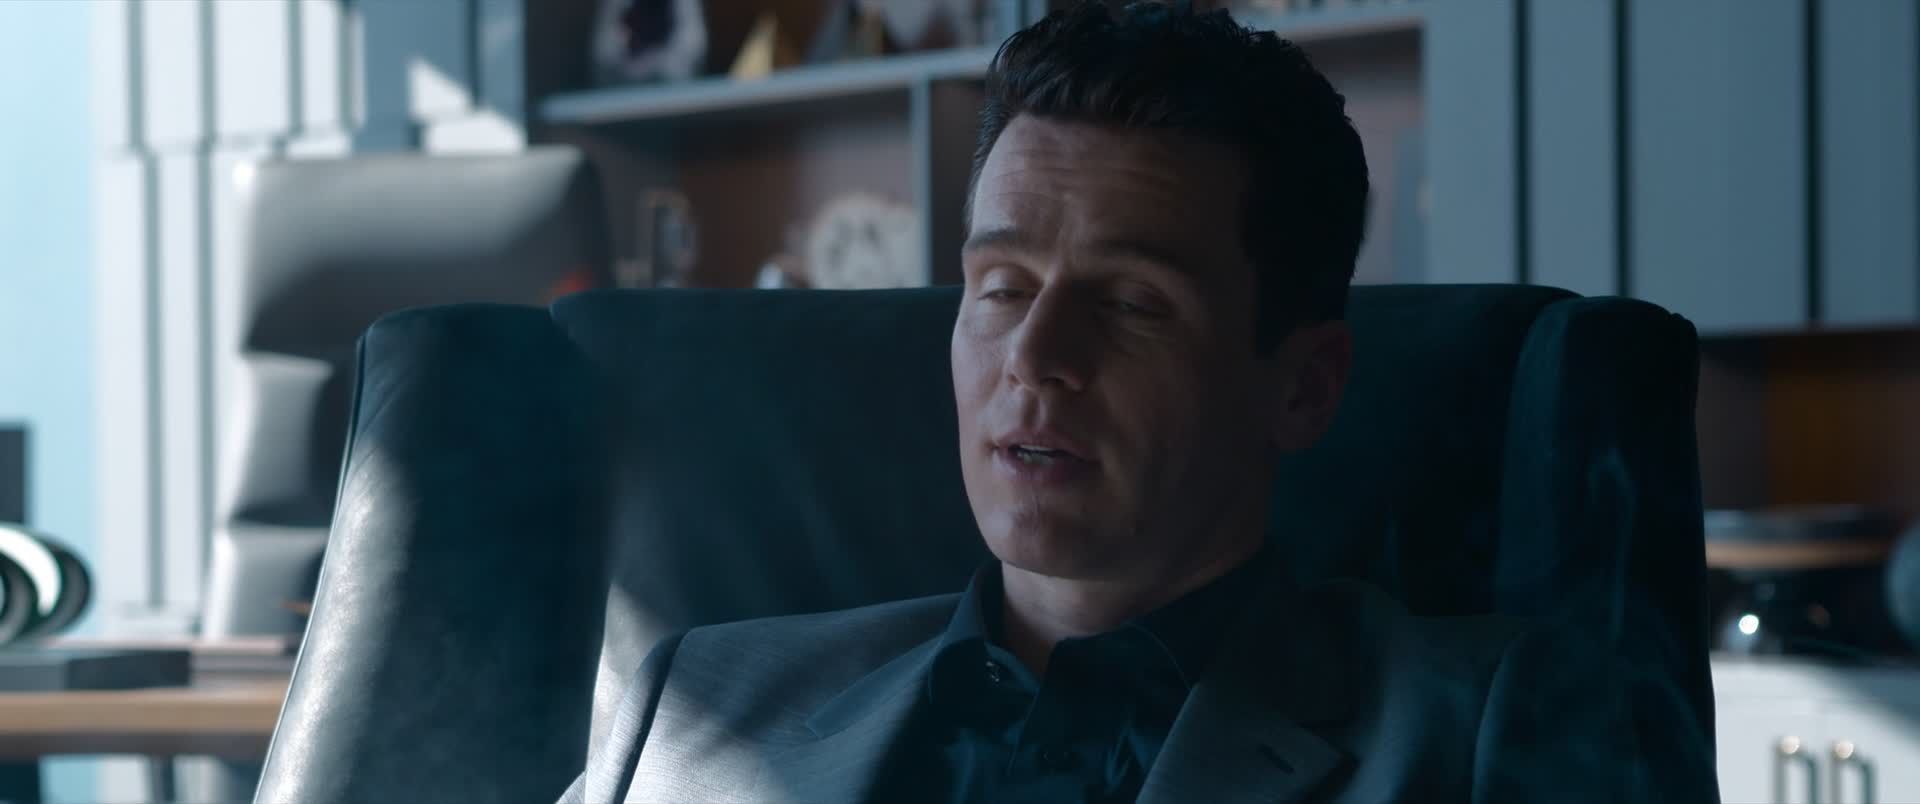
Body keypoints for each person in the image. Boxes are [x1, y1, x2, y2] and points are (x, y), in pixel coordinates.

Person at [562, 3, 1713, 802]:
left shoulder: (1480, 730)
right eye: (1002, 287)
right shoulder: (698, 708)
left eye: (1131, 303)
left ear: (1304, 386)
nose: (1036, 358)